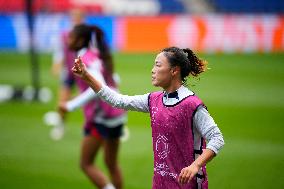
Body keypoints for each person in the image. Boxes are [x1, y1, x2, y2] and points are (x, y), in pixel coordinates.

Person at [72, 46, 225, 189]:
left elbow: (217, 138)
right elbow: (117, 100)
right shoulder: (153, 99)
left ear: (174, 71)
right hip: (160, 183)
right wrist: (86, 76)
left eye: (158, 65)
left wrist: (195, 165)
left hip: (187, 184)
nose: (153, 70)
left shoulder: (191, 105)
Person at [58, 24, 127, 189]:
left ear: (80, 40)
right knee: (111, 163)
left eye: (72, 37)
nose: (68, 39)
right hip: (117, 114)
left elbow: (99, 86)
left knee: (86, 163)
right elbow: (114, 80)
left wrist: (71, 105)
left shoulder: (84, 59)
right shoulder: (95, 54)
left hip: (102, 116)